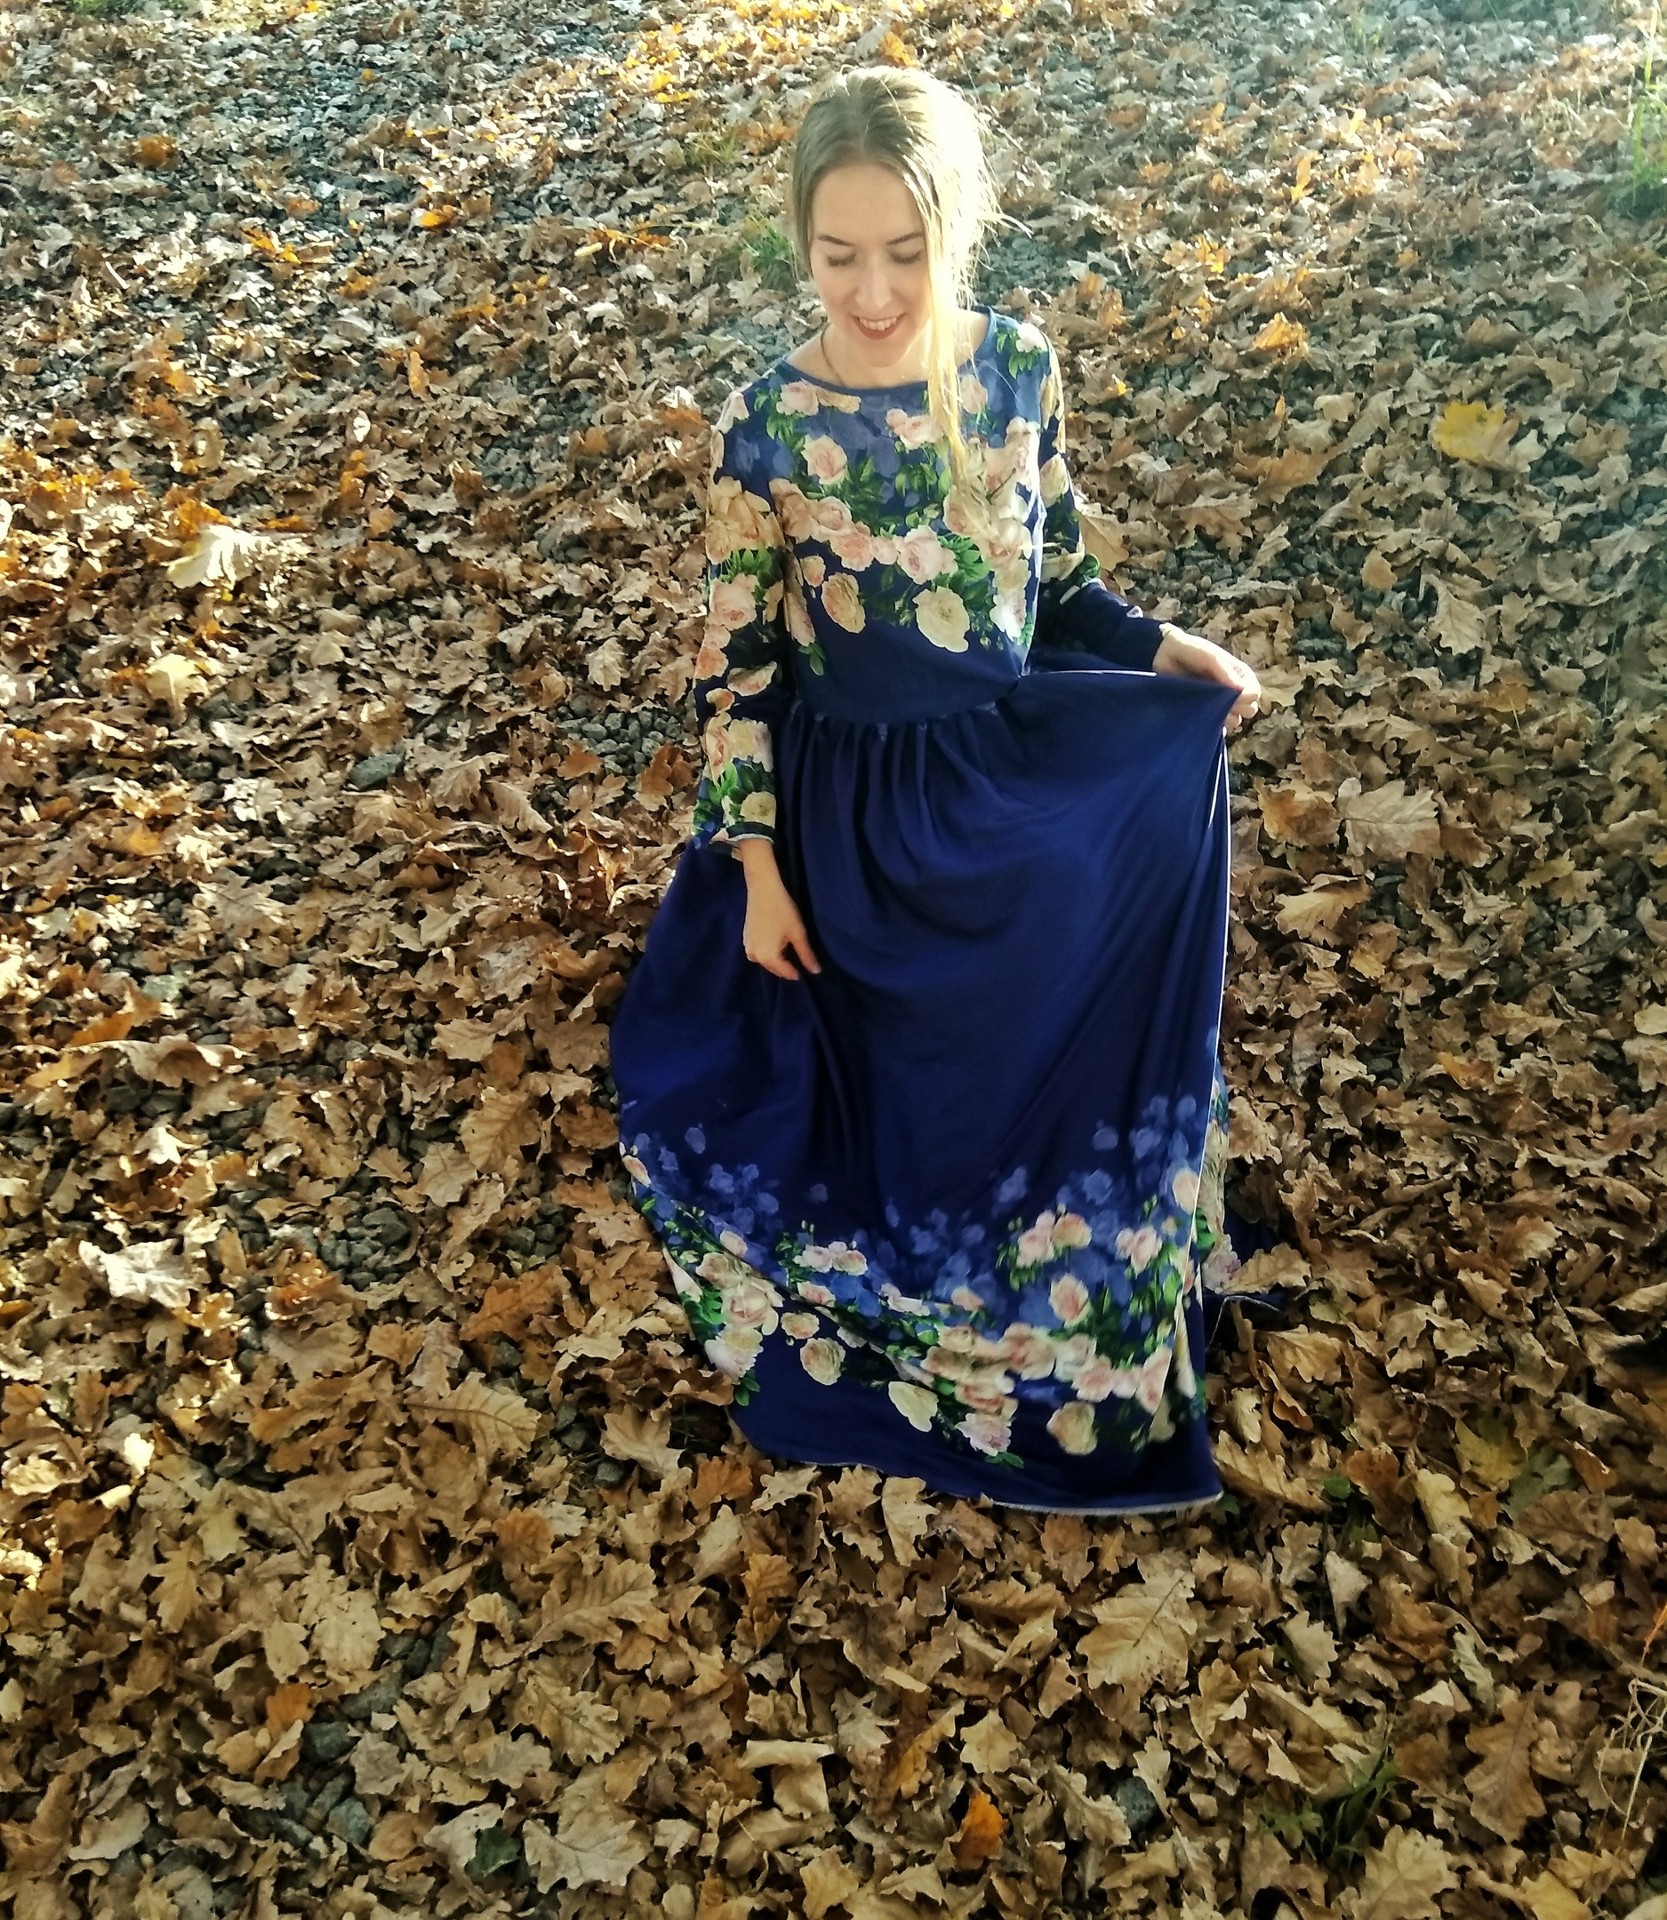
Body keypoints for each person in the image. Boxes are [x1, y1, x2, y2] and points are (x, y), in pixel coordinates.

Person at [608, 65, 1270, 1513]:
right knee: (898, 1113)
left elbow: (1065, 584)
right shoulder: (767, 425)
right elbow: (736, 674)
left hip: (1005, 780)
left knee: (1069, 1030)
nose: (872, 292)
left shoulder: (1015, 369)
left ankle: (1074, 1274)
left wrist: (1160, 648)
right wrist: (759, 873)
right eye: (837, 255)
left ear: (954, 234)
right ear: (798, 244)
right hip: (858, 825)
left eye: (904, 253)